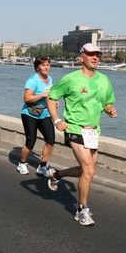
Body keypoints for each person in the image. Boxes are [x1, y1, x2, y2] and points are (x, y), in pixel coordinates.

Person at [46, 43, 117, 226]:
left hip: (93, 131)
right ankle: (81, 210)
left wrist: (109, 110)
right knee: (88, 169)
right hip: (74, 128)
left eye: (98, 55)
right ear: (81, 57)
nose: (96, 58)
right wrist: (56, 120)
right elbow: (52, 97)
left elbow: (107, 103)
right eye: (91, 54)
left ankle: (56, 175)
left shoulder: (104, 80)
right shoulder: (71, 79)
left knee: (88, 170)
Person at [16, 56, 56, 177]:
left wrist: (54, 101)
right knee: (31, 141)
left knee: (51, 140)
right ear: (37, 67)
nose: (46, 67)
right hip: (30, 114)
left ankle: (42, 166)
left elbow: (50, 96)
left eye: (48, 64)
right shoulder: (32, 80)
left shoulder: (50, 79)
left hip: (44, 113)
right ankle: (22, 163)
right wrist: (42, 95)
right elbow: (27, 98)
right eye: (43, 65)